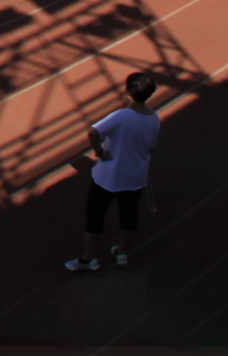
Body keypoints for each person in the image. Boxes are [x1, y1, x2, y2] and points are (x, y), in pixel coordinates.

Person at [62, 70, 166, 273]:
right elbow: (150, 148)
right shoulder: (154, 118)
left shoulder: (122, 116)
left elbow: (93, 131)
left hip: (109, 177)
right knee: (128, 215)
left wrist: (99, 151)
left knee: (95, 215)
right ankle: (122, 252)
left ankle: (88, 258)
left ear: (128, 92)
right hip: (136, 177)